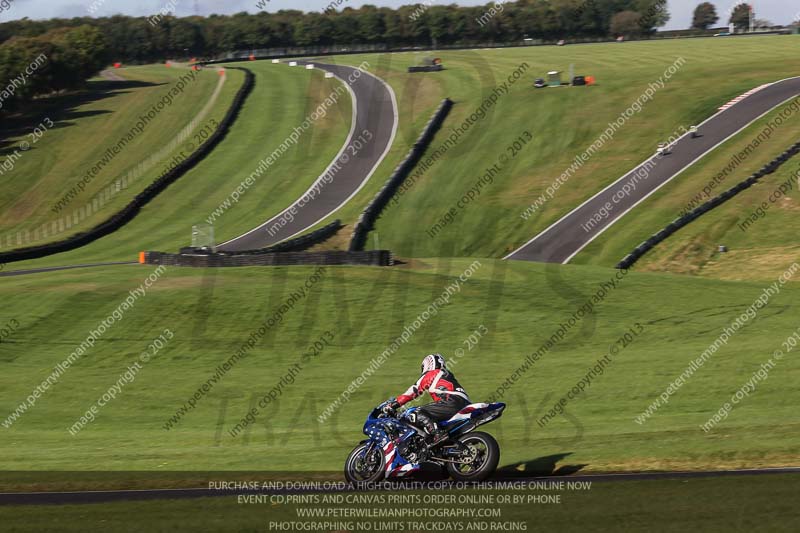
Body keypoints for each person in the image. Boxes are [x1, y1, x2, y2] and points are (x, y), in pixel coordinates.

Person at [382, 353, 470, 446]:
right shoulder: (445, 374)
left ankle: (437, 433)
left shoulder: (432, 373)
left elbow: (413, 391)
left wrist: (394, 404)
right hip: (462, 403)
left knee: (415, 412)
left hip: (451, 402)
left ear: (428, 364)